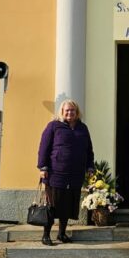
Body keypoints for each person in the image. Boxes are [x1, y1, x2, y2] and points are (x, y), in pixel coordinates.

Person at [37, 99, 94, 245]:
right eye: (67, 110)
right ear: (62, 112)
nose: (70, 113)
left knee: (68, 205)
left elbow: (89, 150)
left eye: (72, 110)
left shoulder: (83, 128)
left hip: (75, 174)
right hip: (56, 173)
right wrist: (43, 167)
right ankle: (46, 235)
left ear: (77, 112)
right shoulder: (53, 126)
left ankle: (61, 234)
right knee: (52, 205)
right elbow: (44, 147)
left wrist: (90, 167)